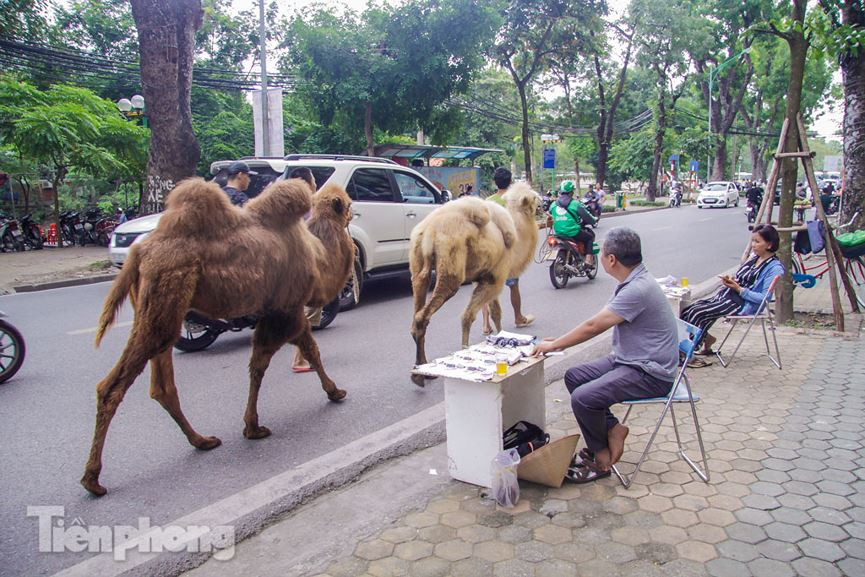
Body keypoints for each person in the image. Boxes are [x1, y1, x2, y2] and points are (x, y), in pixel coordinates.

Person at [532, 227, 679, 482]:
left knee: (583, 398)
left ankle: (600, 459)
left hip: (650, 372)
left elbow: (594, 327)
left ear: (611, 260)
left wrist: (555, 346)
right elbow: (598, 319)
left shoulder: (637, 289)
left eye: (602, 254)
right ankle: (613, 428)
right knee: (574, 376)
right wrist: (561, 340)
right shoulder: (632, 281)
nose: (598, 257)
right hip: (629, 359)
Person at [680, 224, 784, 364]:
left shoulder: (774, 268)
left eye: (757, 242)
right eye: (752, 240)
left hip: (741, 303)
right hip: (727, 296)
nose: (753, 245)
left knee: (698, 313)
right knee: (689, 310)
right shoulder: (754, 257)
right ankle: (701, 341)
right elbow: (741, 278)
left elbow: (764, 298)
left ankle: (688, 353)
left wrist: (739, 289)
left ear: (769, 245)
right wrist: (731, 281)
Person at [481, 167, 535, 334]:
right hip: (508, 252)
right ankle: (518, 317)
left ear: (494, 182)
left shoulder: (487, 202)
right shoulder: (514, 201)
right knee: (513, 286)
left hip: (490, 251)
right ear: (511, 182)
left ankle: (485, 325)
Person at [550, 180, 597, 267]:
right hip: (573, 232)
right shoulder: (575, 204)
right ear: (571, 192)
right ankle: (588, 260)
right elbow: (586, 216)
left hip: (558, 233)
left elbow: (549, 216)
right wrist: (593, 220)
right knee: (589, 237)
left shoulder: (553, 205)